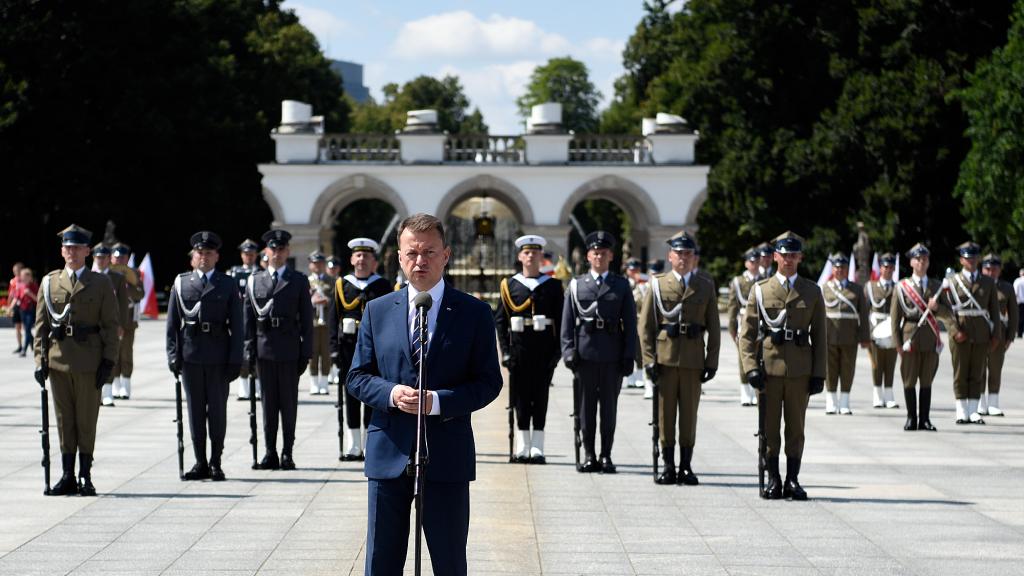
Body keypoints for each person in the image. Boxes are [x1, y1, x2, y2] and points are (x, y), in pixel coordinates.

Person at [347, 213, 502, 576]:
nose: (420, 261)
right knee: (381, 562)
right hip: (389, 452)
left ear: (446, 255)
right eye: (412, 253)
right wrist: (391, 393)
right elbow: (356, 377)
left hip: (447, 454)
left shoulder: (475, 313)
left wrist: (438, 402)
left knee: (449, 562)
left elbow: (488, 382)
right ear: (399, 257)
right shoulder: (377, 311)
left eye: (429, 252)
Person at [739, 231, 826, 500]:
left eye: (793, 255)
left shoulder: (812, 291)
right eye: (784, 255)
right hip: (769, 370)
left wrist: (819, 373)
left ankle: (792, 479)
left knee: (796, 428)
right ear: (775, 256)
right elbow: (747, 334)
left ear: (800, 258)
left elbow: (820, 336)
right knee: (769, 427)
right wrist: (750, 368)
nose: (788, 259)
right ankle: (774, 479)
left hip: (800, 371)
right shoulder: (761, 290)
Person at [33, 224, 119, 496]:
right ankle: (67, 474)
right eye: (67, 248)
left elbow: (111, 326)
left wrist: (109, 361)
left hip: (89, 363)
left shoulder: (100, 283)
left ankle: (85, 475)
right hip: (58, 361)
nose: (71, 252)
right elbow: (41, 327)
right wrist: (39, 361)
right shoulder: (50, 282)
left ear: (87, 251)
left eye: (77, 248)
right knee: (64, 419)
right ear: (62, 251)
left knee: (86, 420)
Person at [639, 231, 720, 485]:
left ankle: (686, 465)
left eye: (687, 254)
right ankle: (668, 465)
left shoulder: (705, 285)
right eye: (678, 253)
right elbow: (645, 327)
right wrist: (648, 360)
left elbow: (714, 327)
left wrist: (711, 361)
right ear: (670, 256)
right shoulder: (657, 284)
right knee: (665, 414)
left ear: (694, 257)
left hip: (693, 359)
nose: (683, 258)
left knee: (689, 415)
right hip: (665, 359)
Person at [166, 231, 243, 481]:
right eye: (200, 253)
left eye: (209, 253)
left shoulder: (227, 284)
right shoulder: (182, 283)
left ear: (217, 256)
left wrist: (236, 359)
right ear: (193, 256)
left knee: (217, 412)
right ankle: (200, 461)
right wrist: (173, 355)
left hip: (219, 357)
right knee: (195, 411)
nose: (204, 257)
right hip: (191, 356)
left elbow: (238, 326)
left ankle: (215, 462)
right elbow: (172, 324)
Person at [560, 231, 637, 474]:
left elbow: (631, 324)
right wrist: (568, 351)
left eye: (603, 253)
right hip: (584, 356)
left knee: (609, 409)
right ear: (588, 256)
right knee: (586, 409)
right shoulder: (577, 285)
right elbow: (567, 323)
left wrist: (629, 355)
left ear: (611, 256)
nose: (599, 257)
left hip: (613, 356)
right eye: (595, 253)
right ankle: (589, 454)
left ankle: (606, 455)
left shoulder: (621, 285)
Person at [243, 229, 314, 469]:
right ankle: (270, 452)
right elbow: (248, 320)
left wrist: (306, 353)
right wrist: (248, 350)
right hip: (264, 350)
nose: (277, 253)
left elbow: (307, 321)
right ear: (266, 251)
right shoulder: (255, 280)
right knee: (268, 405)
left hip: (289, 350)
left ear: (288, 251)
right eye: (273, 249)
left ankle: (287, 452)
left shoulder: (298, 280)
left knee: (288, 405)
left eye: (281, 249)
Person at [495, 235, 563, 464]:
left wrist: (557, 353)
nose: (531, 256)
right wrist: (505, 351)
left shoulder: (553, 286)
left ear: (541, 256)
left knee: (541, 397)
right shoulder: (510, 285)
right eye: (526, 252)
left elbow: (561, 321)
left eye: (535, 252)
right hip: (519, 350)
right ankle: (523, 446)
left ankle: (538, 447)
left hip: (544, 351)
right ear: (520, 256)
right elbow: (501, 321)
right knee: (520, 398)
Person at [329, 237, 393, 461]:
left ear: (374, 261)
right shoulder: (342, 285)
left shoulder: (382, 286)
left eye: (366, 256)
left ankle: (369, 444)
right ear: (351, 259)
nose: (361, 260)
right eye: (358, 255)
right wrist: (333, 349)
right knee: (350, 395)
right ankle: (354, 445)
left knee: (373, 395)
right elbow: (333, 319)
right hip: (348, 348)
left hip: (375, 349)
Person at [937, 241, 1000, 424]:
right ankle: (961, 409)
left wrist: (996, 335)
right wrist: (953, 330)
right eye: (967, 258)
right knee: (960, 372)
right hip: (960, 331)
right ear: (961, 260)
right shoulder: (952, 282)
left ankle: (973, 410)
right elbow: (944, 310)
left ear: (978, 259)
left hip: (981, 332)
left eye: (974, 258)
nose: (971, 261)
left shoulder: (988, 282)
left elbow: (994, 311)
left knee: (977, 372)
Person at [890, 244, 942, 431]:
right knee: (909, 379)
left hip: (929, 337)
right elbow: (895, 318)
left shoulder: (937, 286)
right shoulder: (902, 287)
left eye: (924, 259)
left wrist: (937, 307)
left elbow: (948, 313)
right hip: (909, 336)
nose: (921, 262)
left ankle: (925, 419)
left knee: (927, 380)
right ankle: (911, 418)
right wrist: (898, 344)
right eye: (917, 259)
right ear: (911, 262)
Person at [821, 253, 869, 414]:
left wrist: (865, 337)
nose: (840, 270)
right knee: (830, 370)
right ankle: (831, 402)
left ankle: (844, 402)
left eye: (842, 267)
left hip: (850, 336)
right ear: (832, 269)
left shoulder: (856, 289)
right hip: (829, 336)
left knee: (847, 369)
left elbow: (863, 315)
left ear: (847, 269)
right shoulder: (825, 288)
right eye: (837, 267)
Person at [979, 254, 1017, 417]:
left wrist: (1010, 337)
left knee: (995, 368)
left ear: (999, 270)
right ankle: (980, 401)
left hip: (999, 333)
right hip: (980, 332)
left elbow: (1014, 314)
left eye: (994, 269)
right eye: (987, 269)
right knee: (979, 367)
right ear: (982, 270)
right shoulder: (977, 285)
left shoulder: (1007, 288)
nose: (991, 272)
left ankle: (993, 402)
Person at [92, 243, 129, 407]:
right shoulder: (88, 276)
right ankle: (96, 393)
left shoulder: (117, 278)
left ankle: (107, 393)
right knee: (93, 358)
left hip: (110, 324)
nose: (100, 260)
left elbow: (123, 304)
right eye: (98, 257)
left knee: (109, 356)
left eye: (103, 258)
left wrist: (121, 324)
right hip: (93, 325)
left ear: (109, 259)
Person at [109, 243, 145, 400]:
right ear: (111, 258)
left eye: (122, 257)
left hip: (129, 319)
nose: (119, 260)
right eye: (116, 257)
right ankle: (115, 385)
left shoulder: (134, 273)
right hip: (111, 319)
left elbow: (140, 294)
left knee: (126, 353)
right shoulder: (106, 273)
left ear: (127, 258)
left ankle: (126, 384)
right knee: (113, 352)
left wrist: (127, 286)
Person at [228, 239, 262, 400]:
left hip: (257, 318)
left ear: (256, 255)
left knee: (258, 351)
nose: (249, 256)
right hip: (240, 319)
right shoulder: (234, 273)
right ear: (242, 255)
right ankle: (243, 388)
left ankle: (258, 387)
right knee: (243, 353)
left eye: (252, 254)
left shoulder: (261, 272)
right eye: (246, 254)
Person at [727, 247, 761, 406]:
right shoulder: (738, 281)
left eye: (757, 261)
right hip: (744, 323)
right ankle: (745, 393)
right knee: (744, 358)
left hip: (761, 324)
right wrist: (732, 329)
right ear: (746, 263)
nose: (755, 265)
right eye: (752, 262)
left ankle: (756, 392)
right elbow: (732, 307)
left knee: (759, 359)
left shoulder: (765, 279)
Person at [865, 253, 899, 409]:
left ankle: (889, 396)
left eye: (891, 267)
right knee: (877, 365)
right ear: (881, 268)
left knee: (890, 363)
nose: (889, 270)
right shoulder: (871, 287)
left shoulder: (897, 287)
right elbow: (865, 310)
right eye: (886, 267)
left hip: (891, 328)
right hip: (876, 329)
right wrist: (867, 333)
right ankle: (878, 396)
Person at [307, 250, 334, 395]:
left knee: (326, 353)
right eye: (315, 263)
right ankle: (314, 383)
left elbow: (335, 300)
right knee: (312, 353)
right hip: (312, 323)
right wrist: (312, 301)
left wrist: (327, 301)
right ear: (310, 265)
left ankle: (324, 383)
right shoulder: (306, 281)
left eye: (320, 263)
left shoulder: (331, 280)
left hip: (327, 323)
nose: (317, 265)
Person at [12, 267, 38, 357]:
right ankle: (32, 342)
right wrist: (10, 308)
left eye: (25, 277)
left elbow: (38, 300)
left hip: (31, 310)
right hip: (22, 310)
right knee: (27, 330)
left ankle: (24, 350)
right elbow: (17, 298)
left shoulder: (34, 286)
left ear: (30, 277)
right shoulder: (20, 286)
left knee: (27, 329)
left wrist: (30, 293)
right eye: (22, 276)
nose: (23, 278)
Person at [8, 262, 25, 354]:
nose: (16, 272)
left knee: (26, 327)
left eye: (17, 270)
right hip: (16, 306)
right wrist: (9, 306)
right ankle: (20, 346)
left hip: (24, 306)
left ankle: (28, 343)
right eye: (14, 271)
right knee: (17, 327)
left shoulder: (25, 280)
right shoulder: (13, 281)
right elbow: (11, 294)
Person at [1014, 268, 1024, 338]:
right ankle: (1021, 332)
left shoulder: (1017, 281)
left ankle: (1019, 333)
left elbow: (1015, 292)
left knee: (1019, 317)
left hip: (1019, 302)